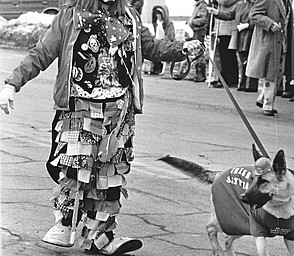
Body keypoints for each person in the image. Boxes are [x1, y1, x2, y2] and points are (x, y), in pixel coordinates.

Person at [0, 0, 204, 255]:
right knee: (76, 167)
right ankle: (65, 223)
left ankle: (102, 235)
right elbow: (41, 53)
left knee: (110, 174)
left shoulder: (129, 17)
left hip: (119, 110)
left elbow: (151, 47)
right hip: (79, 107)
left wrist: (182, 49)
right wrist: (12, 84)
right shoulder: (70, 15)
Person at [246, 0, 294, 116]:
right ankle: (268, 104)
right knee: (271, 73)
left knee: (279, 73)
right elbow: (253, 14)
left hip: (282, 42)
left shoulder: (287, 2)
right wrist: (270, 23)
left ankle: (263, 98)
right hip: (269, 41)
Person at [207, 0, 258, 92]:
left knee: (249, 59)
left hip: (252, 34)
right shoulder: (240, 5)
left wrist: (248, 25)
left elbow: (259, 17)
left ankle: (251, 84)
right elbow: (229, 15)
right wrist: (216, 12)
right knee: (242, 59)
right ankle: (243, 83)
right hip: (241, 34)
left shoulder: (257, 5)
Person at [212, 0, 240, 88]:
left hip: (227, 27)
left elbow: (225, 2)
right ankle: (230, 78)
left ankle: (227, 78)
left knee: (226, 54)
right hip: (225, 27)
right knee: (227, 54)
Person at [188, 0, 209, 82]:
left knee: (199, 52)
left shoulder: (202, 6)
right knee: (196, 51)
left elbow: (203, 19)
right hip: (197, 30)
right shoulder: (199, 5)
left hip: (200, 30)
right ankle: (198, 73)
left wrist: (192, 22)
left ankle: (201, 73)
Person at [151, 5, 175, 75]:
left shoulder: (169, 23)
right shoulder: (156, 23)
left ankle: (160, 68)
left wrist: (163, 41)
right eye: (157, 14)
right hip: (157, 41)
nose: (158, 15)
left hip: (165, 42)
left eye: (160, 14)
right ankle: (156, 68)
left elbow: (170, 36)